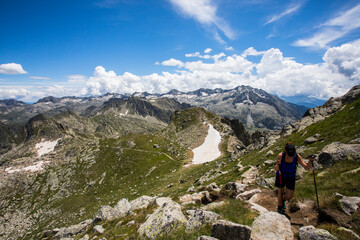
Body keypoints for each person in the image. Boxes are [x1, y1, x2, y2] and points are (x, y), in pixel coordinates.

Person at [275, 142, 315, 214]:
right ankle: (279, 206)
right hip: (281, 175)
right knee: (280, 192)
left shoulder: (296, 156)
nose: (291, 156)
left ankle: (282, 200)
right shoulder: (281, 156)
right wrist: (278, 163)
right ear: (286, 151)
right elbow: (276, 169)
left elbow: (306, 167)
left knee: (290, 195)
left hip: (291, 176)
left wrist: (310, 161)